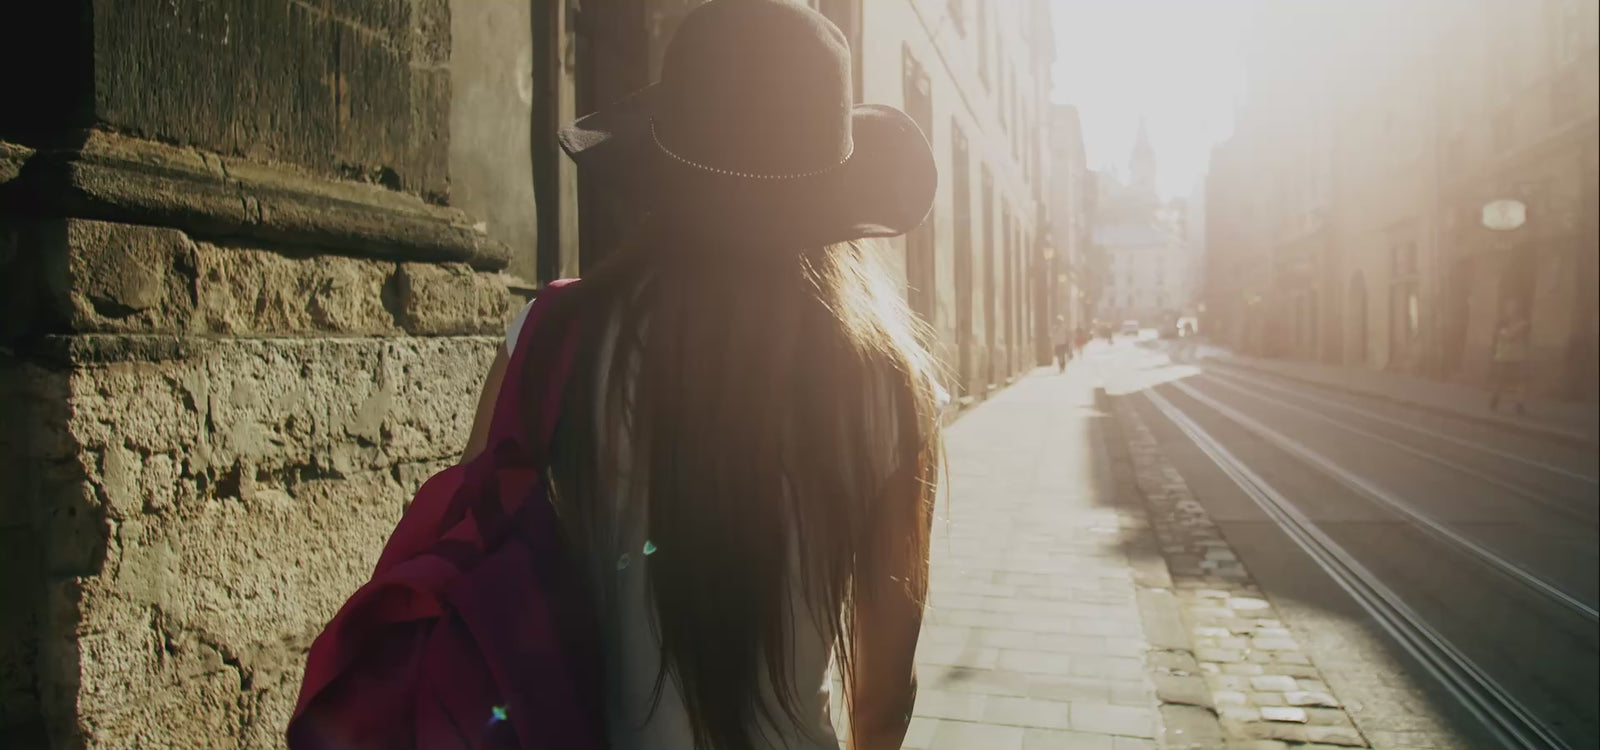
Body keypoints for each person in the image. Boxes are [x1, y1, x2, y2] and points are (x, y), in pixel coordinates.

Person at [464, 3, 943, 748]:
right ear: (831, 194)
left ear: (661, 165)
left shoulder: (555, 337)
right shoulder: (886, 383)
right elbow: (882, 696)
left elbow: (474, 573)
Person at [1489, 297, 1530, 414]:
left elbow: (1511, 335)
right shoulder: (1502, 322)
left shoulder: (1523, 322)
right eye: (1509, 306)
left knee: (1521, 382)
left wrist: (1505, 332)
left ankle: (1519, 404)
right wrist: (1507, 332)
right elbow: (1506, 335)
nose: (1512, 309)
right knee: (1500, 381)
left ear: (1518, 308)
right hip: (1503, 357)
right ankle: (1495, 399)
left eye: (1514, 306)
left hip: (1518, 357)